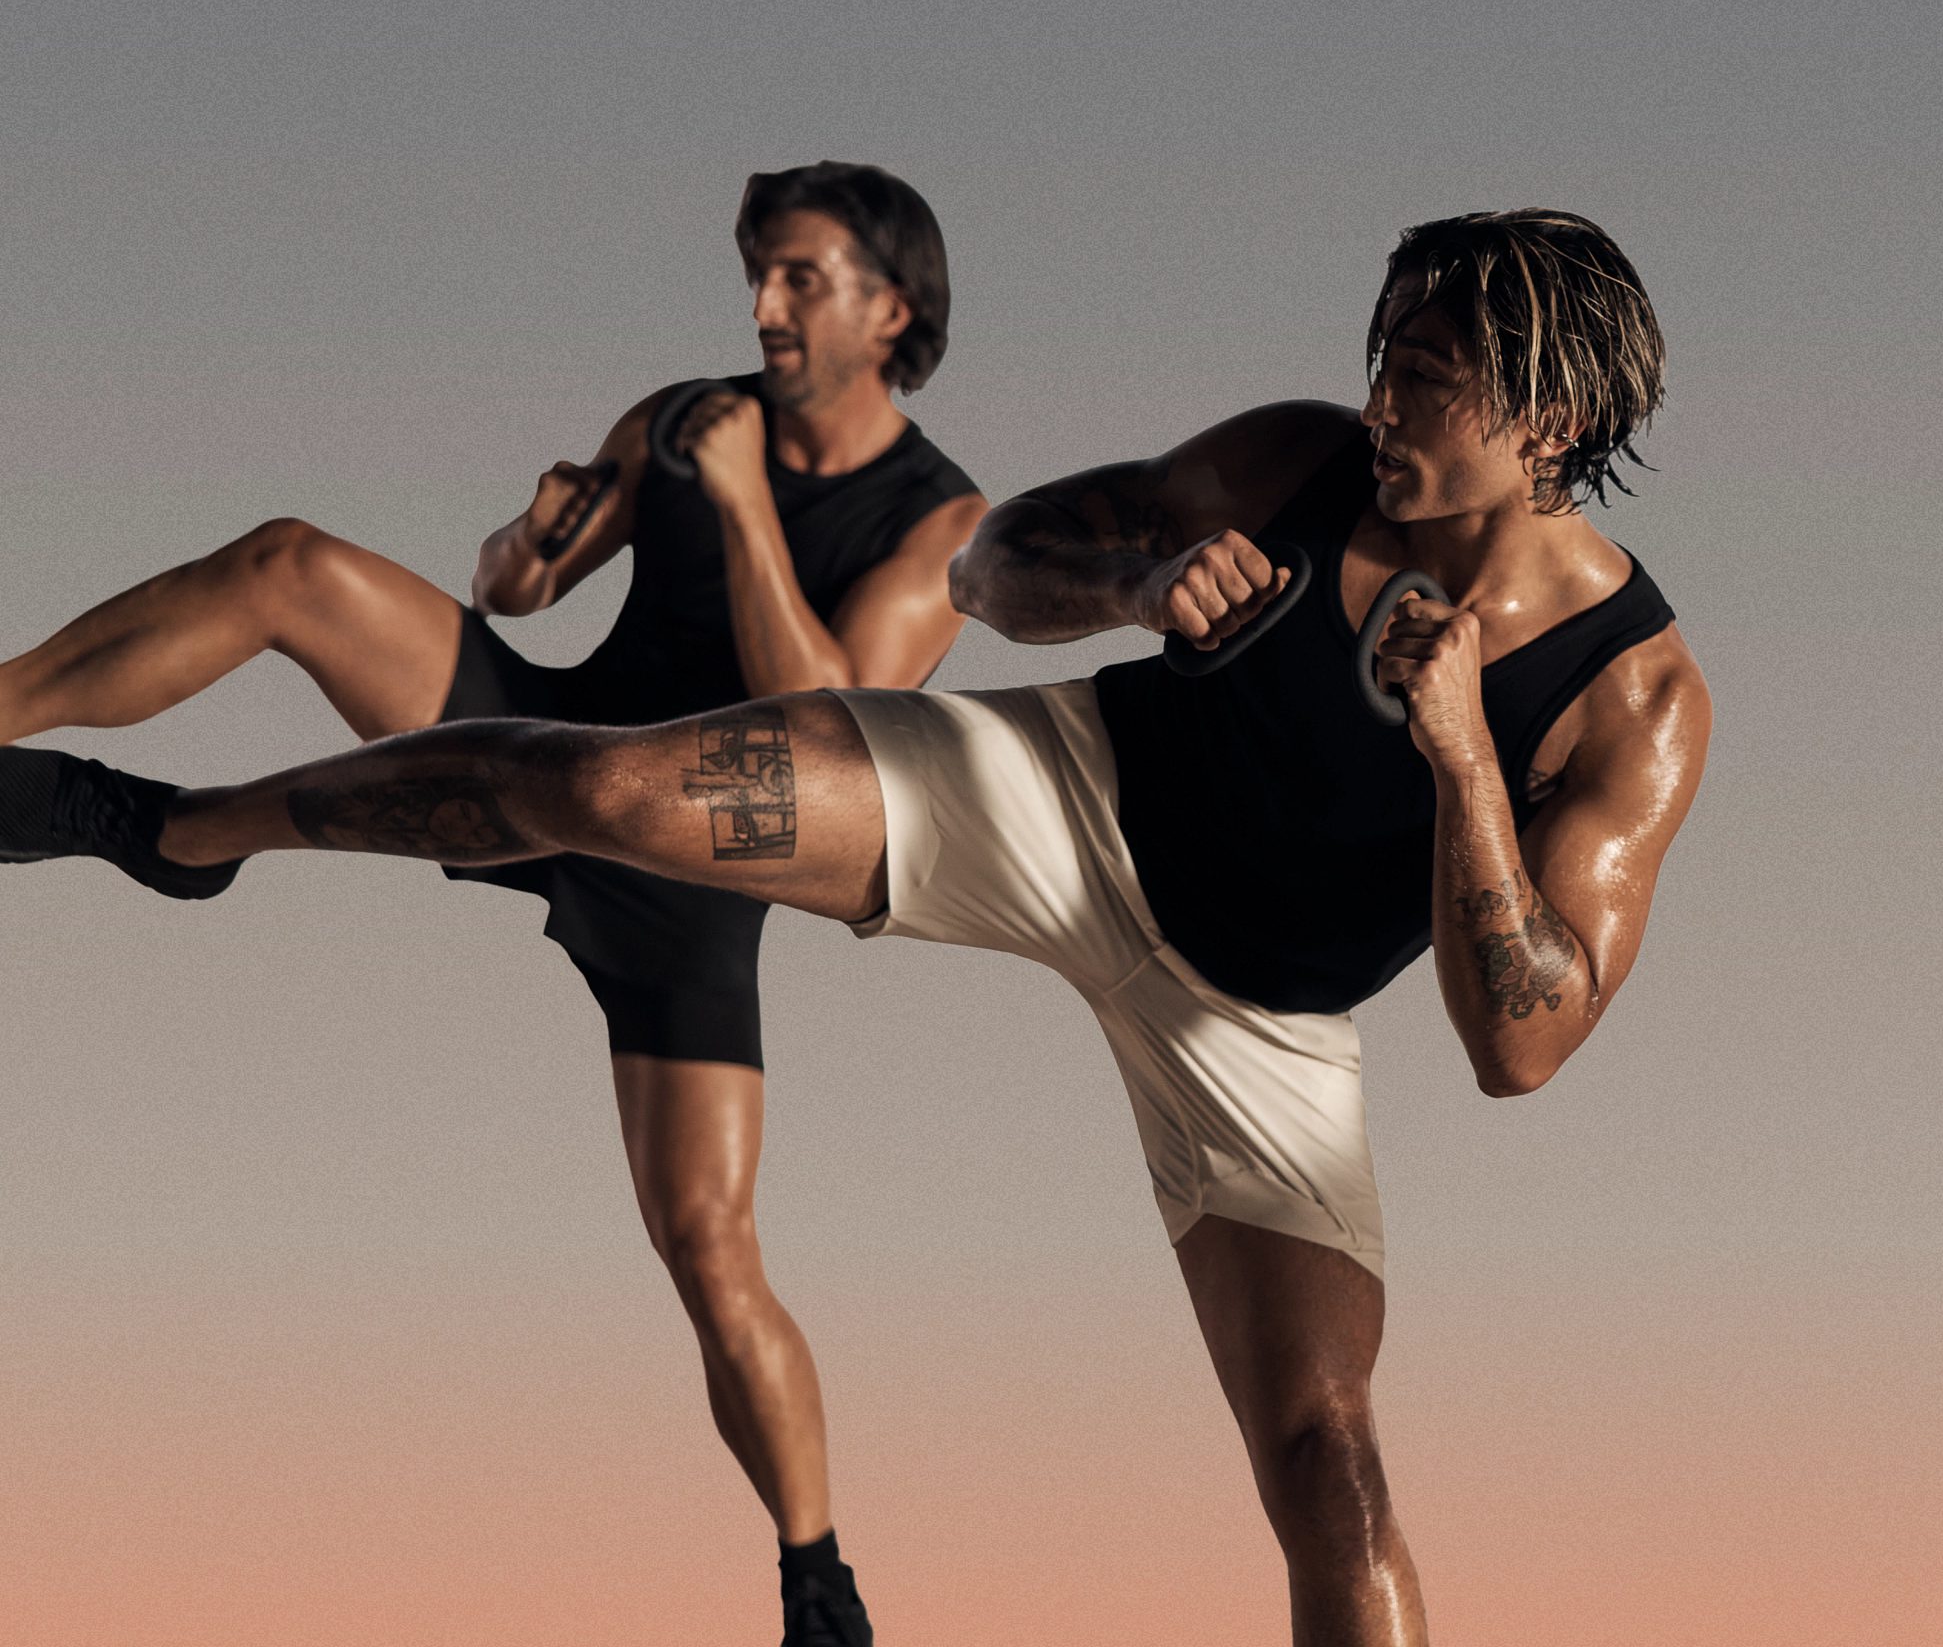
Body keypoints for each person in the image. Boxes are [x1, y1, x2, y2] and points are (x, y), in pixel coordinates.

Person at [5, 207, 1710, 1647]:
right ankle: (180, 831)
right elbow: (995, 564)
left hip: (1258, 1025)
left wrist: (1463, 761)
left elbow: (1520, 1051)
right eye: (1382, 350)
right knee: (598, 786)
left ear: (1551, 419)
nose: (1381, 395)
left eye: (1428, 375)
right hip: (1062, 794)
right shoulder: (1301, 461)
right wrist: (1134, 586)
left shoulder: (1632, 700)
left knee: (1329, 1466)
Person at [0, 161, 986, 1647]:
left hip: (697, 874)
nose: (764, 306)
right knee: (288, 564)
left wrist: (741, 506)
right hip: (537, 743)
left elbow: (823, 725)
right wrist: (530, 546)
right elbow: (517, 590)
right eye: (759, 274)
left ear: (891, 310)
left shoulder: (942, 522)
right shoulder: (680, 419)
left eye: (800, 278)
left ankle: (818, 1583)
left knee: (712, 1250)